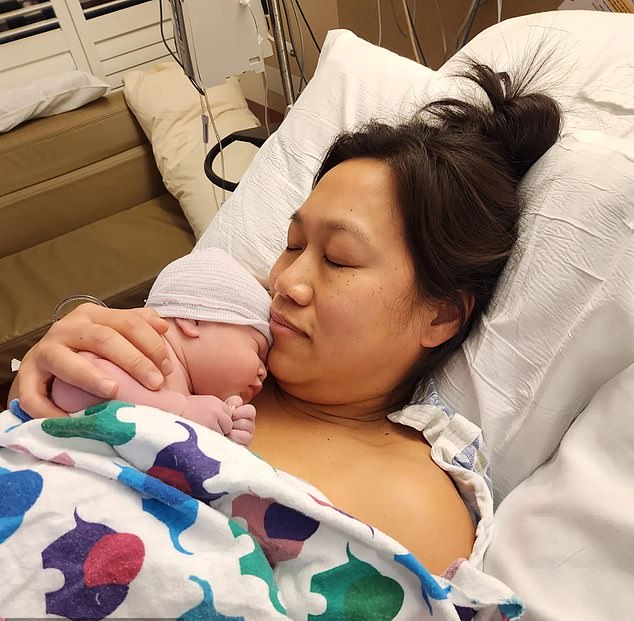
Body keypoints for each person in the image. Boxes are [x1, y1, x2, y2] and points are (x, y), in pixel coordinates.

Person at [9, 62, 561, 575]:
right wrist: (59, 361)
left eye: (340, 259)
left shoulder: (411, 506)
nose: (286, 283)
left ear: (440, 316)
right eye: (293, 246)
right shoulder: (217, 351)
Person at [49, 247, 271, 447]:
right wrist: (179, 410)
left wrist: (223, 437)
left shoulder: (190, 392)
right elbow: (71, 387)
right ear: (194, 320)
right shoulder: (146, 346)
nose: (264, 372)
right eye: (259, 350)